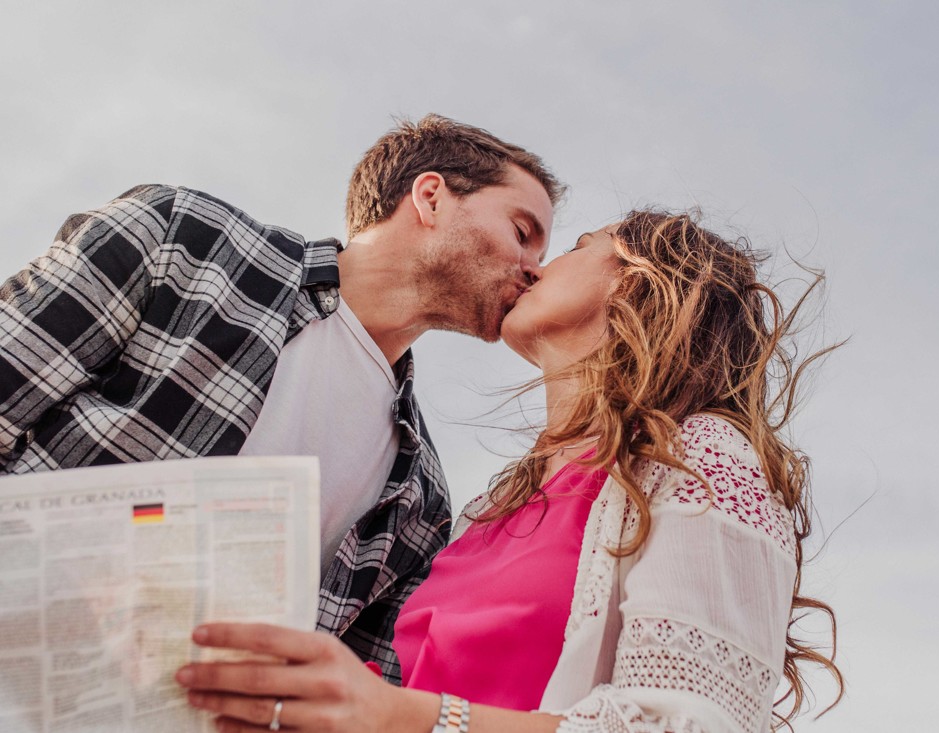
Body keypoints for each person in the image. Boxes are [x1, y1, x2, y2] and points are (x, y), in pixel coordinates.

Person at [175, 210, 843, 732]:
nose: (538, 265)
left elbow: (688, 722)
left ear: (636, 279)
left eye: (580, 244)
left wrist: (395, 715)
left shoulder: (699, 457)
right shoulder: (491, 506)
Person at [0, 114, 564, 677]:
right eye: (522, 232)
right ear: (431, 197)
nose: (536, 271)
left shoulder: (421, 497)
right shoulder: (187, 240)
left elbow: (344, 694)